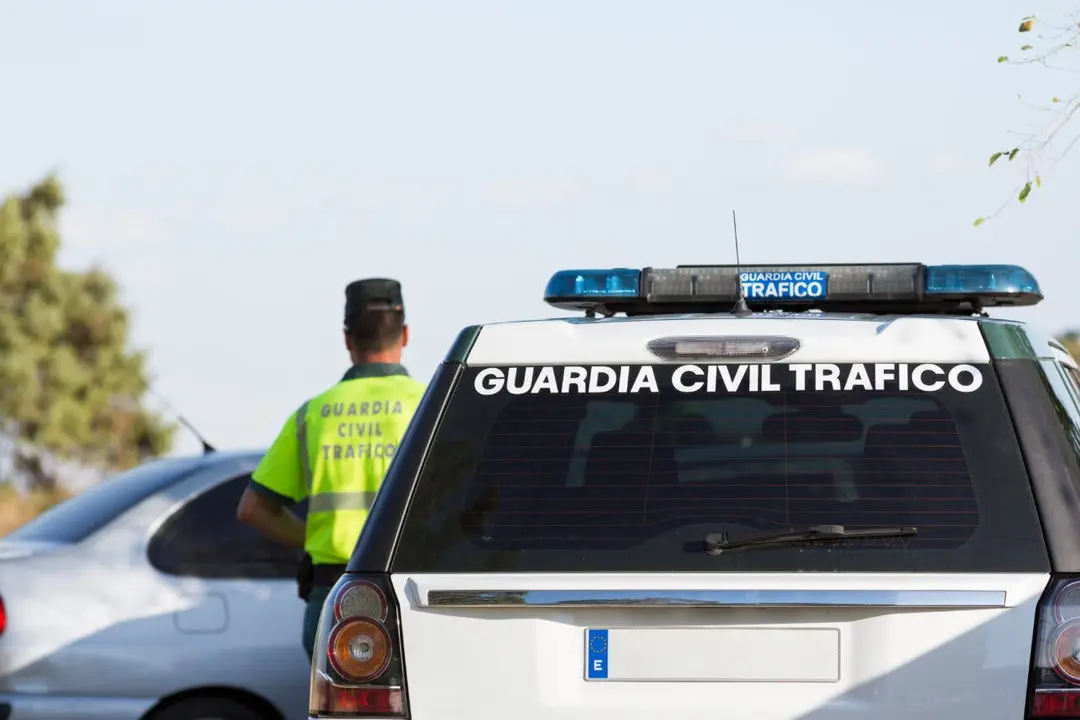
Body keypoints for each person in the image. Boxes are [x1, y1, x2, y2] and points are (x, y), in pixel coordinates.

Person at [236, 278, 426, 659]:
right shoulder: (431, 406)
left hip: (333, 596)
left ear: (347, 339)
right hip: (417, 595)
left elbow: (253, 509)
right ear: (405, 335)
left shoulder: (313, 414)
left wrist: (316, 538)